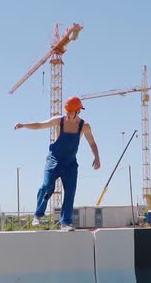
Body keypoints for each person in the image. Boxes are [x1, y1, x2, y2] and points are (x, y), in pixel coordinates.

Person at [14, 96, 100, 231]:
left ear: (78, 111)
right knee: (47, 186)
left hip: (70, 163)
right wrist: (25, 125)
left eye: (71, 112)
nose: (68, 114)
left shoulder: (84, 126)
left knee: (70, 192)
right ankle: (38, 215)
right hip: (54, 159)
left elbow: (92, 143)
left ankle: (65, 223)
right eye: (67, 111)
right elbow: (40, 125)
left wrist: (97, 157)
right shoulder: (59, 121)